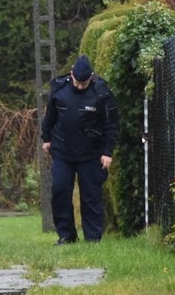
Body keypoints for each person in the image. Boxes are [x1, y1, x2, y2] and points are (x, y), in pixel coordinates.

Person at [40, 55, 118, 244]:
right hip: (62, 151)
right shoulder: (59, 89)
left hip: (91, 153)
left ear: (91, 76)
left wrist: (107, 152)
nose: (80, 86)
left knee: (91, 195)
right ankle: (66, 235)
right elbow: (50, 116)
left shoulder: (102, 93)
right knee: (59, 190)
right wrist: (46, 138)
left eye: (84, 83)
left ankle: (92, 237)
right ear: (71, 74)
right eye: (77, 82)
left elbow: (111, 125)